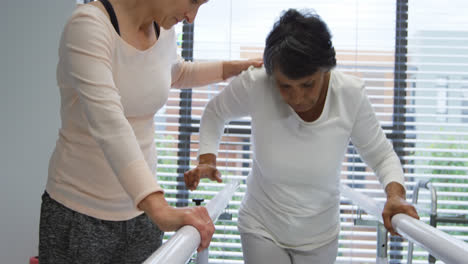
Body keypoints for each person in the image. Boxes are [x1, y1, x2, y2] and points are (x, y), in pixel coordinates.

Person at [184, 8, 420, 264]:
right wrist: (207, 158)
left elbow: (381, 155)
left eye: (308, 84)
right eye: (285, 86)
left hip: (320, 234)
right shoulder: (257, 84)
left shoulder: (349, 95)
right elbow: (215, 111)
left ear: (326, 70)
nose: (297, 98)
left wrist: (395, 196)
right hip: (261, 225)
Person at [39, 0, 262, 263]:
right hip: (82, 215)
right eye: (193, 2)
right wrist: (160, 208)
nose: (191, 17)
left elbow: (177, 73)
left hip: (141, 215)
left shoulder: (163, 28)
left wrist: (238, 67)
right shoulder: (88, 26)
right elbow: (109, 122)